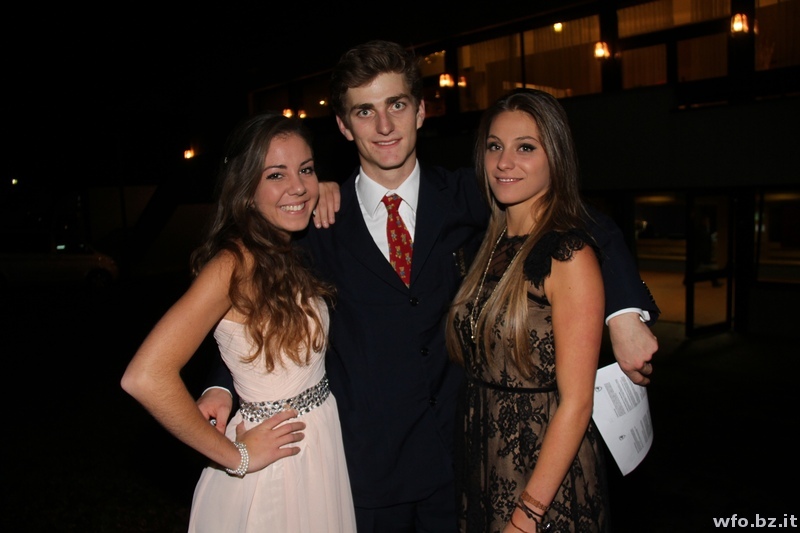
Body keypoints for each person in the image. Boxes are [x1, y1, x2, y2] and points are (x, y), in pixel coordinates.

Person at [199, 40, 658, 532]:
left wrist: (624, 313)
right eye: (365, 111)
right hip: (365, 475)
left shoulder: (475, 194)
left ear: (420, 111)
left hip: (465, 465)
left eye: (396, 104)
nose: (384, 125)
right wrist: (222, 383)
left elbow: (580, 221)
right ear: (343, 125)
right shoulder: (315, 220)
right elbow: (251, 308)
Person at [121, 112, 356, 532]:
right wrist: (237, 457)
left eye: (305, 170)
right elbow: (145, 376)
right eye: (276, 175)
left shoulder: (285, 249)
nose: (298, 186)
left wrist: (325, 189)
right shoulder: (233, 264)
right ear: (246, 190)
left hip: (318, 444)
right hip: (276, 464)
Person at [447, 88, 610, 533]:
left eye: (525, 148)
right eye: (494, 146)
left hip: (540, 475)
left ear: (555, 156)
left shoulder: (568, 255)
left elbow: (577, 403)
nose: (504, 163)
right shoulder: (488, 246)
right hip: (483, 460)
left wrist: (528, 515)